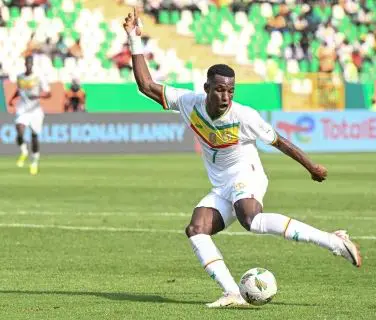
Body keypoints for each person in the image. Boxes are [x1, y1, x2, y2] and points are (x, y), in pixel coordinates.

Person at [123, 9, 362, 308]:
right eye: (220, 90)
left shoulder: (243, 115)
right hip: (221, 185)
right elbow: (146, 85)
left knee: (251, 219)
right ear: (207, 88)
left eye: (231, 91)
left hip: (246, 175)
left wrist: (311, 166)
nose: (225, 97)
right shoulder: (188, 103)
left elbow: (279, 141)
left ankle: (334, 242)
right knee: (196, 229)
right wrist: (133, 38)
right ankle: (232, 292)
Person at [8, 56, 51, 175]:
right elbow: (19, 90)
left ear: (32, 65)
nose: (28, 65)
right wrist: (12, 98)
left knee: (34, 136)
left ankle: (34, 161)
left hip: (35, 110)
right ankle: (23, 151)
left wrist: (38, 96)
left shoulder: (38, 77)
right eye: (27, 63)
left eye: (30, 63)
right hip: (22, 109)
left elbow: (49, 94)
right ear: (25, 64)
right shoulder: (20, 77)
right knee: (19, 130)